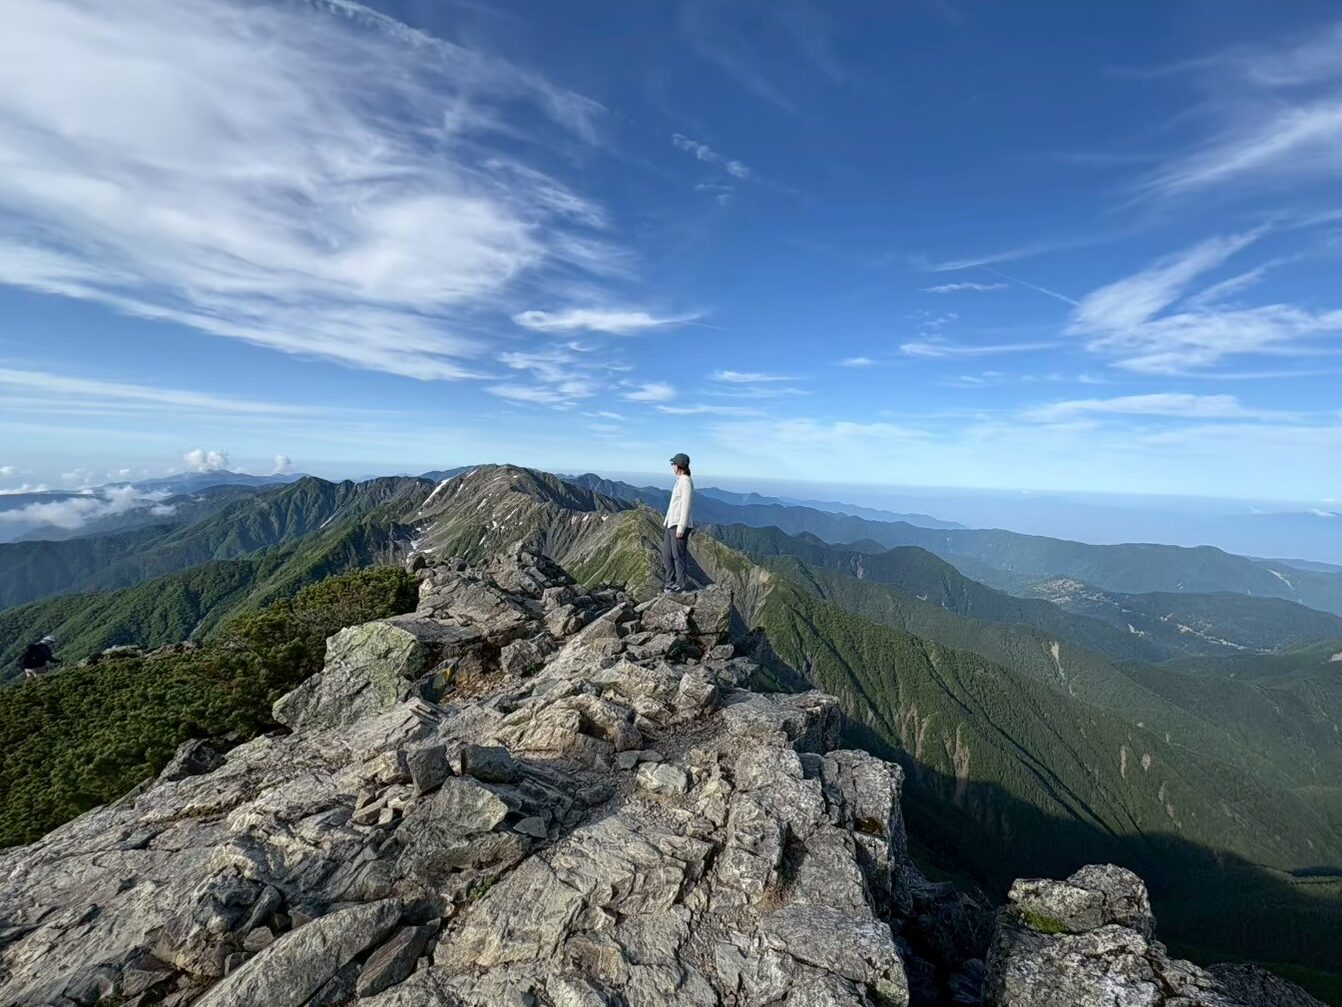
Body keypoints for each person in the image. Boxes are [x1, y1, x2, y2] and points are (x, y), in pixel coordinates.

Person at [661, 452, 695, 592]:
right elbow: (674, 505)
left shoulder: (685, 482)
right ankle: (670, 582)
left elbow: (686, 506)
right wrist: (667, 521)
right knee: (667, 555)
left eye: (673, 463)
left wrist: (681, 527)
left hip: (679, 525)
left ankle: (680, 585)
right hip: (672, 523)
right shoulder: (680, 481)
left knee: (678, 556)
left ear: (678, 465)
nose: (672, 466)